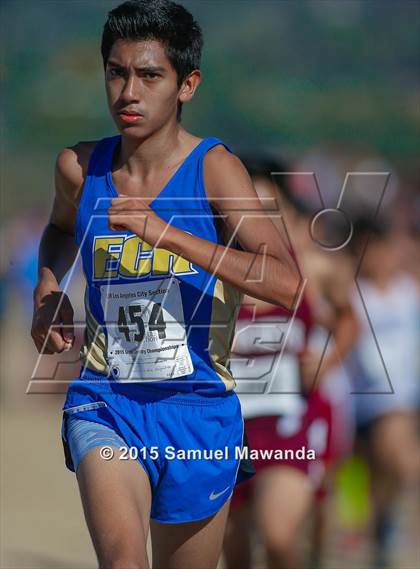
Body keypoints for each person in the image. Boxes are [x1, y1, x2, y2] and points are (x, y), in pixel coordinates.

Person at [30, 2, 300, 568]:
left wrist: (168, 235)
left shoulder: (214, 169)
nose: (129, 92)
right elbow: (59, 231)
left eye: (149, 75)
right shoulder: (79, 168)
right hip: (108, 402)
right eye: (116, 72)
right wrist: (48, 290)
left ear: (187, 84)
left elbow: (285, 283)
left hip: (197, 410)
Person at [223, 156, 358, 569]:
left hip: (292, 420)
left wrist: (328, 362)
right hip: (229, 425)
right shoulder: (211, 271)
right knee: (234, 548)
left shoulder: (312, 268)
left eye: (268, 211)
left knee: (278, 536)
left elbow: (350, 319)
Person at [347, 216, 420, 568]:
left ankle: (386, 525)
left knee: (395, 467)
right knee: (386, 469)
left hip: (402, 397)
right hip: (362, 399)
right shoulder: (353, 294)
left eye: (383, 249)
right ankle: (382, 526)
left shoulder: (409, 292)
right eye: (368, 250)